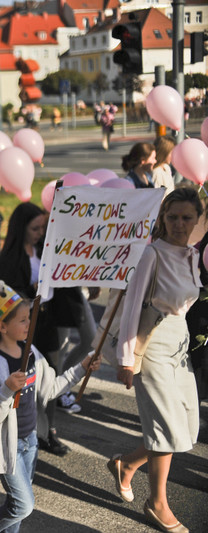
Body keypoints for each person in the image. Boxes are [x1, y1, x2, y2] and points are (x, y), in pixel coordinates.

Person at [0, 282, 100, 533]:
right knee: (23, 506)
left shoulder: (31, 352)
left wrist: (82, 367)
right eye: (22, 320)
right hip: (9, 446)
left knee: (16, 505)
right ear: (2, 326)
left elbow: (50, 390)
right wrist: (7, 388)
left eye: (29, 318)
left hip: (30, 440)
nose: (29, 324)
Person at [109, 188, 203, 533]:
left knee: (186, 427)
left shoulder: (193, 254)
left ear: (197, 220)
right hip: (152, 344)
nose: (179, 224)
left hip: (179, 344)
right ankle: (157, 503)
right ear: (162, 218)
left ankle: (127, 464)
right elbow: (133, 306)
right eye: (173, 216)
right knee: (166, 429)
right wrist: (126, 359)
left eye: (186, 217)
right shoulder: (152, 253)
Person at [0, 202, 72, 455]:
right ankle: (21, 433)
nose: (40, 233)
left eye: (42, 227)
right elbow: (3, 296)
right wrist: (31, 290)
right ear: (21, 228)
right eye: (35, 228)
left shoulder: (42, 249)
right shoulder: (9, 258)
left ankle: (49, 431)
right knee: (24, 381)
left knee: (51, 374)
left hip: (47, 322)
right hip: (24, 326)